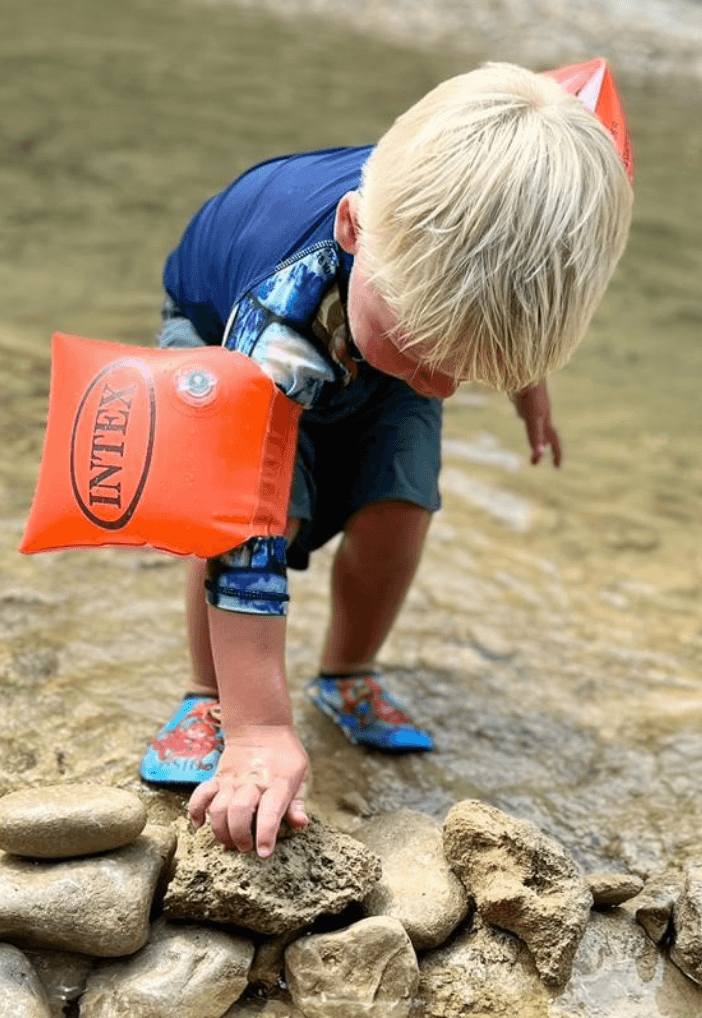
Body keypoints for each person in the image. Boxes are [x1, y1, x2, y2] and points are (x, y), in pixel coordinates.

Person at [140, 61, 633, 857]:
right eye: (440, 358)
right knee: (270, 513)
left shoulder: (433, 299)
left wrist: (522, 381)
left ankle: (348, 671)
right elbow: (244, 527)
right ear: (350, 228)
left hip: (385, 317)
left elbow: (484, 310)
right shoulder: (281, 313)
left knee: (401, 505)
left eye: (471, 370)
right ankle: (214, 698)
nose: (444, 384)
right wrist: (264, 729)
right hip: (222, 333)